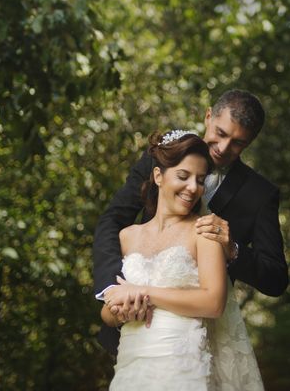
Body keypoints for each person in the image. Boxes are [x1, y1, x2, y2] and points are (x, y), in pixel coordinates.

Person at [93, 90, 288, 383]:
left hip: (203, 337)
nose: (223, 148)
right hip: (136, 332)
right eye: (220, 133)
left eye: (238, 143)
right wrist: (112, 289)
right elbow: (112, 221)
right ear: (208, 116)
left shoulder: (260, 195)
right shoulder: (161, 159)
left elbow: (276, 278)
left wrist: (232, 249)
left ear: (251, 142)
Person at [104, 130, 227, 389]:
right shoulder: (128, 236)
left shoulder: (204, 231)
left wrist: (145, 292)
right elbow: (108, 311)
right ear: (158, 176)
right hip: (131, 362)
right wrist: (120, 308)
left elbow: (214, 303)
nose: (193, 188)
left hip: (180, 364)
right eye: (183, 176)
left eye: (200, 179)